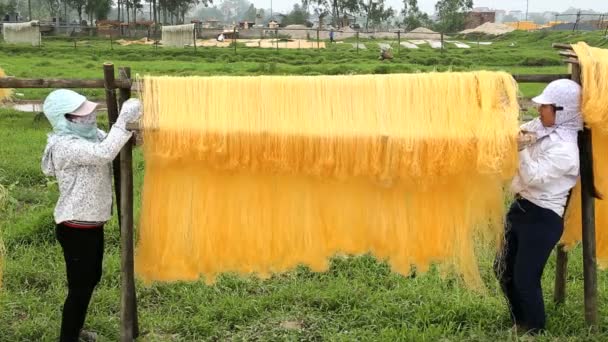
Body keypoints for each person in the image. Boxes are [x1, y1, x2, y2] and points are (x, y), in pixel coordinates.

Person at [41, 89, 142, 342]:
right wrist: (122, 120)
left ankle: (75, 331)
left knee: (90, 279)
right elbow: (103, 153)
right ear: (64, 119)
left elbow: (112, 142)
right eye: (81, 115)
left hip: (91, 225)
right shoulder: (66, 145)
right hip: (76, 228)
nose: (89, 117)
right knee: (79, 288)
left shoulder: (87, 135)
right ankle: (68, 337)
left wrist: (130, 133)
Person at [494, 79, 583, 334]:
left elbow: (533, 176)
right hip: (520, 208)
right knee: (502, 269)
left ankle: (534, 328)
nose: (539, 110)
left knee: (525, 277)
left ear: (562, 110)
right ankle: (519, 321)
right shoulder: (541, 128)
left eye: (545, 106)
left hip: (542, 217)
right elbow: (519, 131)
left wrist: (519, 149)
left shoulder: (566, 151)